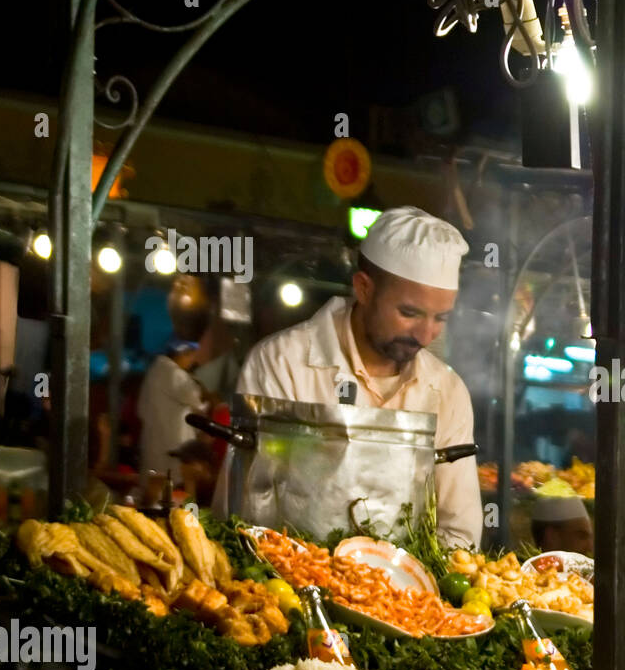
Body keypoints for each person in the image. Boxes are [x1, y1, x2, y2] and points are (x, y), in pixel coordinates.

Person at [230, 207, 481, 548]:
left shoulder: (446, 391)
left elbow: (458, 530)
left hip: (405, 596)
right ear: (364, 288)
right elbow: (245, 514)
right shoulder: (282, 363)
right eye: (409, 313)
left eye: (441, 318)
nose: (426, 334)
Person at [137, 340, 210, 480]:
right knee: (174, 491)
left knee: (155, 487)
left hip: (154, 443)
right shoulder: (174, 373)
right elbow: (195, 398)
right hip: (173, 445)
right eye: (191, 356)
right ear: (182, 354)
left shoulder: (155, 370)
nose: (192, 361)